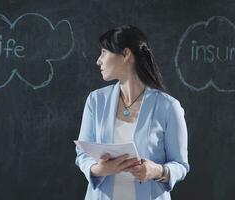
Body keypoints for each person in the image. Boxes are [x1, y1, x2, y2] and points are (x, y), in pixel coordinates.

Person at [75, 25, 189, 200]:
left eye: (104, 52)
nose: (99, 60)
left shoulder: (168, 106)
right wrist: (98, 170)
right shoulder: (96, 100)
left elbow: (180, 165)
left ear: (126, 54)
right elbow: (83, 153)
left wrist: (157, 171)